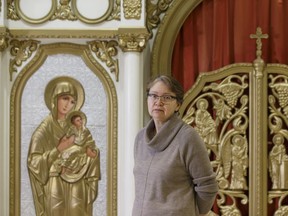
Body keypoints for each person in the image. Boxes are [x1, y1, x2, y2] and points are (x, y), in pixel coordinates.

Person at [132, 75, 218, 216]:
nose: (158, 102)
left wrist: (190, 212)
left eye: (166, 97)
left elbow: (208, 187)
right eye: (153, 95)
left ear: (178, 104)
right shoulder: (140, 138)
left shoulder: (188, 138)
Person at [27, 76, 101, 216]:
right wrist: (59, 149)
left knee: (77, 210)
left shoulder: (77, 127)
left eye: (72, 101)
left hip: (78, 181)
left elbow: (91, 148)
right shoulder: (44, 130)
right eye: (65, 98)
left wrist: (90, 153)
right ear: (55, 99)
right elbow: (34, 161)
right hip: (55, 180)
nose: (69, 104)